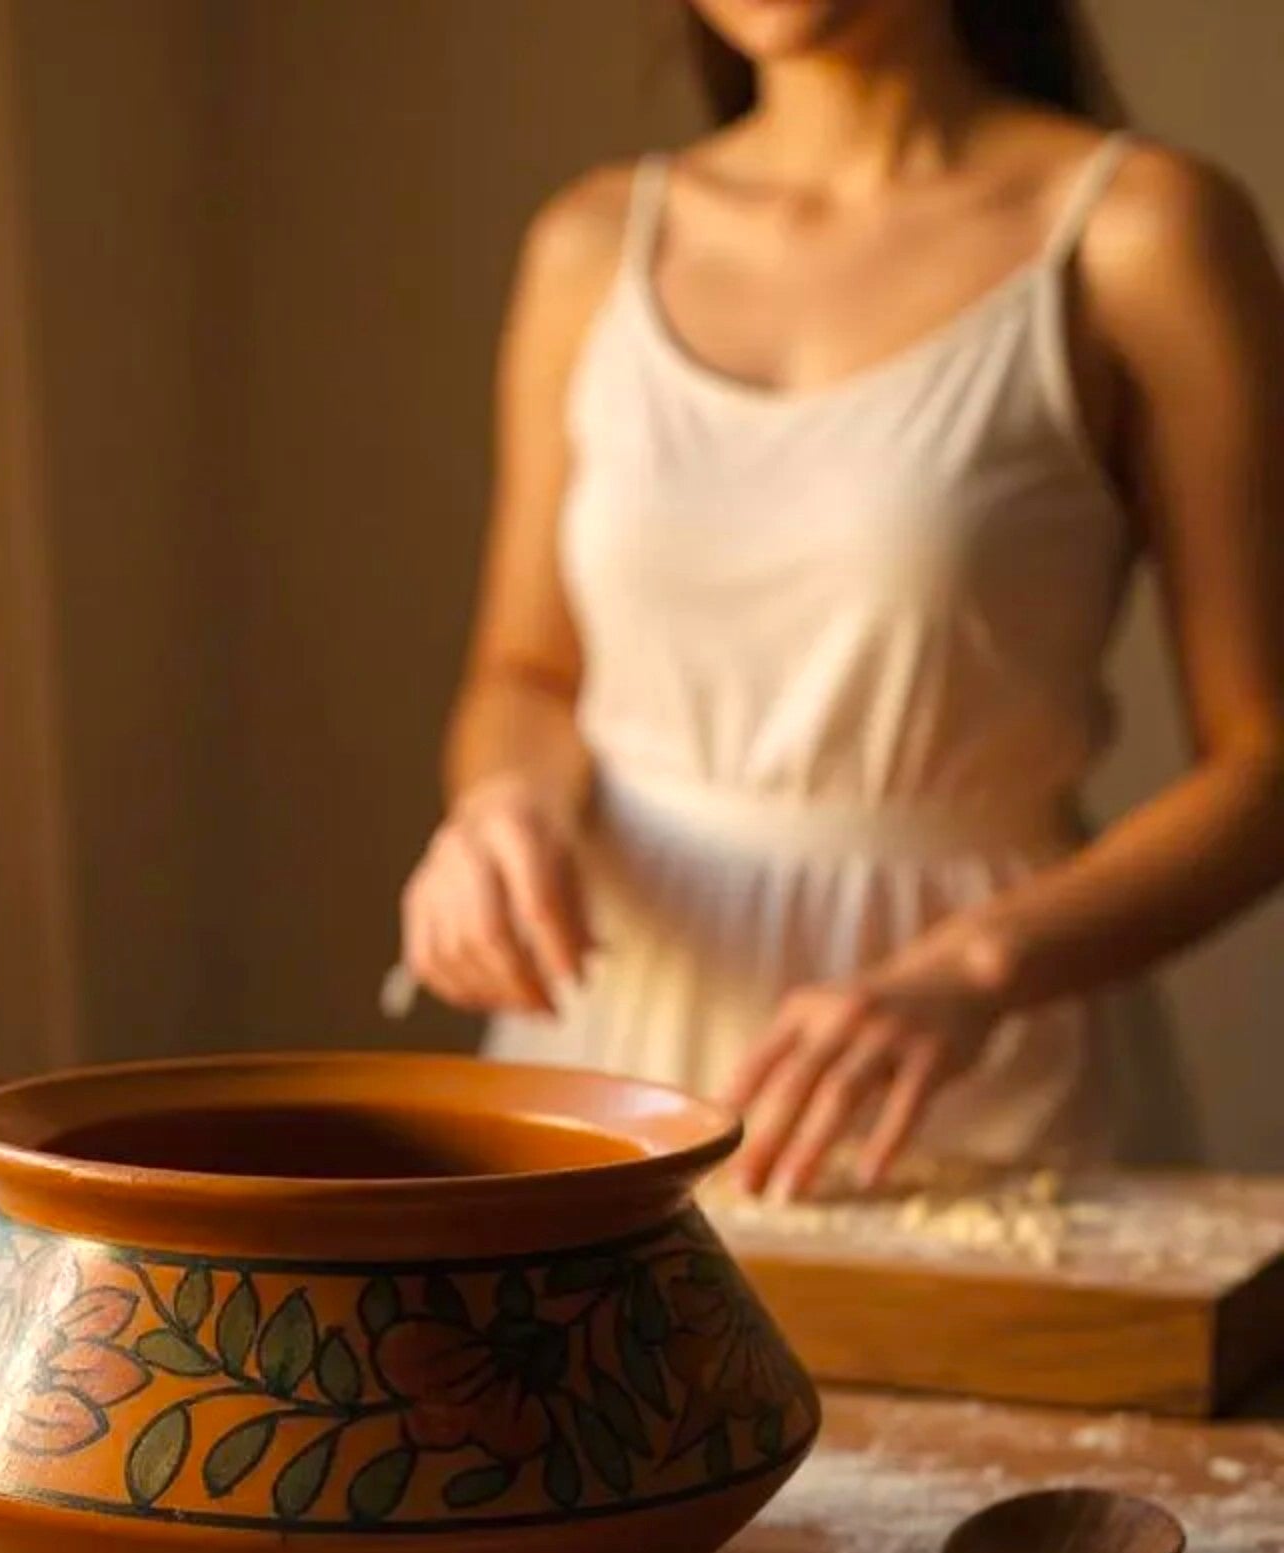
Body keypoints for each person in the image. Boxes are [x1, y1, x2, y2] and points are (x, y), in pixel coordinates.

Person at [398, 0, 1284, 1199]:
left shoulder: (1142, 230)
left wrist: (978, 968)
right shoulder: (593, 240)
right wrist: (504, 805)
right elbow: (524, 674)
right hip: (603, 1043)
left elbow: (1260, 763)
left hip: (971, 1063)